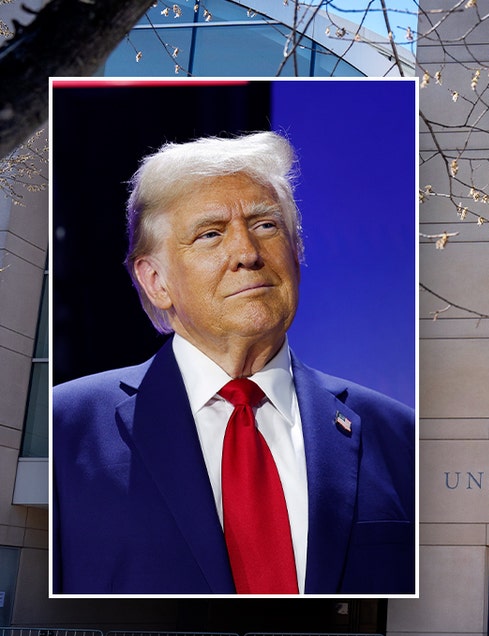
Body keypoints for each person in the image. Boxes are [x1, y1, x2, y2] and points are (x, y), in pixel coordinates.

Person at [52, 132, 416, 595]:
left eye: (266, 225)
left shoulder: (399, 438)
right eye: (210, 234)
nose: (247, 254)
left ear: (297, 252)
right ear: (156, 281)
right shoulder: (66, 431)